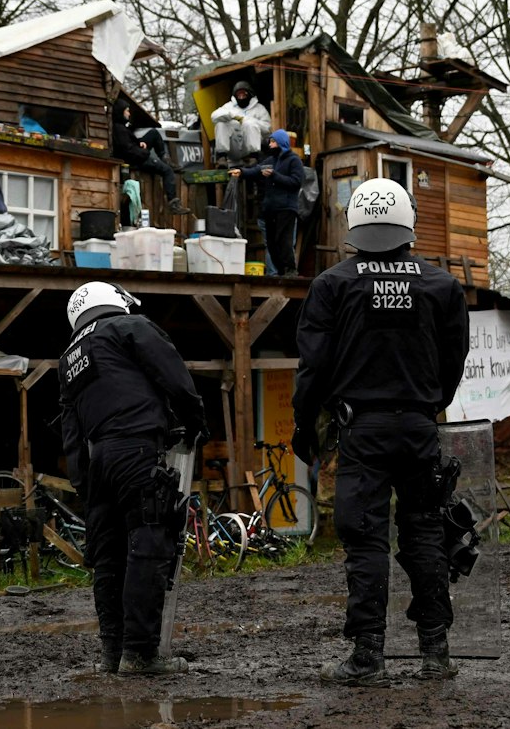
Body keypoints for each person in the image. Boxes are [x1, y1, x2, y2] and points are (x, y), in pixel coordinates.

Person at [292, 177, 470, 686]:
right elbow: (454, 361)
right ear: (408, 224)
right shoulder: (441, 286)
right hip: (418, 427)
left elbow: (313, 367)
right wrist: (430, 405)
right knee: (426, 533)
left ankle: (368, 656)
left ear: (355, 226)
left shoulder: (332, 285)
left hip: (362, 431)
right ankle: (435, 653)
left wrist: (307, 425)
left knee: (366, 540)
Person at [58, 281, 206, 676]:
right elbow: (172, 372)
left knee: (109, 556)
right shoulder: (129, 326)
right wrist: (194, 421)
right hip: (138, 448)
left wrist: (85, 483)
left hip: (98, 461)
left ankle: (113, 653)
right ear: (115, 302)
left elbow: (71, 429)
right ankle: (141, 654)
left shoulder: (70, 356)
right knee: (150, 542)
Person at [230, 129, 304, 276]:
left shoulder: (294, 160)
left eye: (273, 141)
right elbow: (257, 170)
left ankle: (290, 269)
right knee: (271, 243)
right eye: (270, 141)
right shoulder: (270, 161)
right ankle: (281, 271)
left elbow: (296, 182)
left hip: (286, 208)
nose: (270, 144)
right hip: (270, 209)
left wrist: (274, 175)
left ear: (281, 142)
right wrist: (242, 172)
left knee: (284, 241)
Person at [112, 96, 189, 215]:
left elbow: (130, 143)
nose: (128, 113)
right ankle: (173, 203)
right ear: (121, 111)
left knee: (154, 133)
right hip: (137, 159)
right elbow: (129, 151)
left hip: (138, 152)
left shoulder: (121, 127)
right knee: (167, 171)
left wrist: (139, 143)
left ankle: (165, 158)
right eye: (127, 110)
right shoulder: (119, 130)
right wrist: (145, 152)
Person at [208, 79, 270, 164]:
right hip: (233, 148)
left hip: (249, 149)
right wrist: (233, 115)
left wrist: (248, 120)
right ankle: (221, 157)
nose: (241, 96)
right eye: (238, 94)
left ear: (250, 94)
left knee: (250, 123)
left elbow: (268, 129)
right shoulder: (229, 106)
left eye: (244, 94)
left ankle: (253, 158)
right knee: (221, 124)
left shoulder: (259, 108)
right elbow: (214, 116)